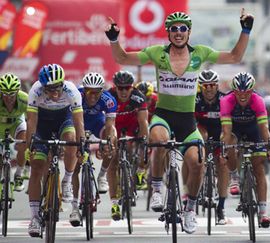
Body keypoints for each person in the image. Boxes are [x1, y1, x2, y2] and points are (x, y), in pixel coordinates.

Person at [105, 9, 254, 234]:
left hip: (187, 122)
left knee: (197, 163)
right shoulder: (157, 53)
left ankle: (190, 209)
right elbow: (123, 58)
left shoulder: (200, 53)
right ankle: (156, 186)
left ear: (189, 32)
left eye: (182, 28)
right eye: (173, 29)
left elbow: (234, 57)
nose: (178, 32)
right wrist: (114, 39)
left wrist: (245, 30)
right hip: (164, 115)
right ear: (168, 33)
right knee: (158, 140)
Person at [26, 64, 85, 237]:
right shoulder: (35, 91)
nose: (54, 93)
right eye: (49, 90)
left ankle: (66, 181)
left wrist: (81, 145)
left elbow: (79, 122)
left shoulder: (71, 90)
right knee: (36, 166)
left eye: (57, 88)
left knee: (71, 139)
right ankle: (35, 218)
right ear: (42, 86)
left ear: (62, 83)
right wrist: (30, 146)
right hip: (42, 124)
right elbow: (31, 122)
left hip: (63, 120)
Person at [220, 72, 270, 228]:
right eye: (239, 92)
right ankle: (234, 177)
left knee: (259, 168)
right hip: (234, 129)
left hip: (253, 130)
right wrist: (225, 151)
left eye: (247, 92)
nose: (243, 96)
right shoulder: (226, 101)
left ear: (252, 91)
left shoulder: (258, 101)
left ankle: (263, 212)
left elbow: (264, 128)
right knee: (230, 141)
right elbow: (226, 130)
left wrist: (269, 147)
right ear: (234, 91)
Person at [69, 72, 117, 226]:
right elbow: (70, 120)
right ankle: (75, 207)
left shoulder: (108, 100)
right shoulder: (76, 95)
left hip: (97, 124)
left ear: (102, 91)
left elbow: (109, 125)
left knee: (112, 140)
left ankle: (102, 176)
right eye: (89, 91)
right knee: (75, 167)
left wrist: (107, 142)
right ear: (85, 90)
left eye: (96, 92)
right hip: (78, 123)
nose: (92, 95)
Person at [108, 70, 148, 221]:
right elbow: (105, 123)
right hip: (114, 127)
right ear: (115, 87)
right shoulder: (109, 96)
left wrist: (144, 143)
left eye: (127, 88)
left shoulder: (138, 97)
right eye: (120, 88)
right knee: (113, 160)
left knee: (137, 148)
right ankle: (114, 203)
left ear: (132, 87)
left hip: (132, 126)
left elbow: (144, 122)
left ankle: (137, 171)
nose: (124, 91)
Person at [193, 69, 228, 225]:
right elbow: (189, 122)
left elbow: (229, 125)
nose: (209, 89)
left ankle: (221, 207)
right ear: (201, 87)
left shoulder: (224, 100)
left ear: (217, 86)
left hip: (220, 132)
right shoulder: (194, 100)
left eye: (212, 85)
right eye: (205, 86)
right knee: (196, 159)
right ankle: (192, 196)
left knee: (222, 164)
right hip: (202, 131)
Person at [0, 73, 28, 192]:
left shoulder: (24, 99)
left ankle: (19, 174)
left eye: (12, 94)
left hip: (16, 122)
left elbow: (32, 119)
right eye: (5, 94)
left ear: (18, 91)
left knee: (23, 144)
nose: (8, 98)